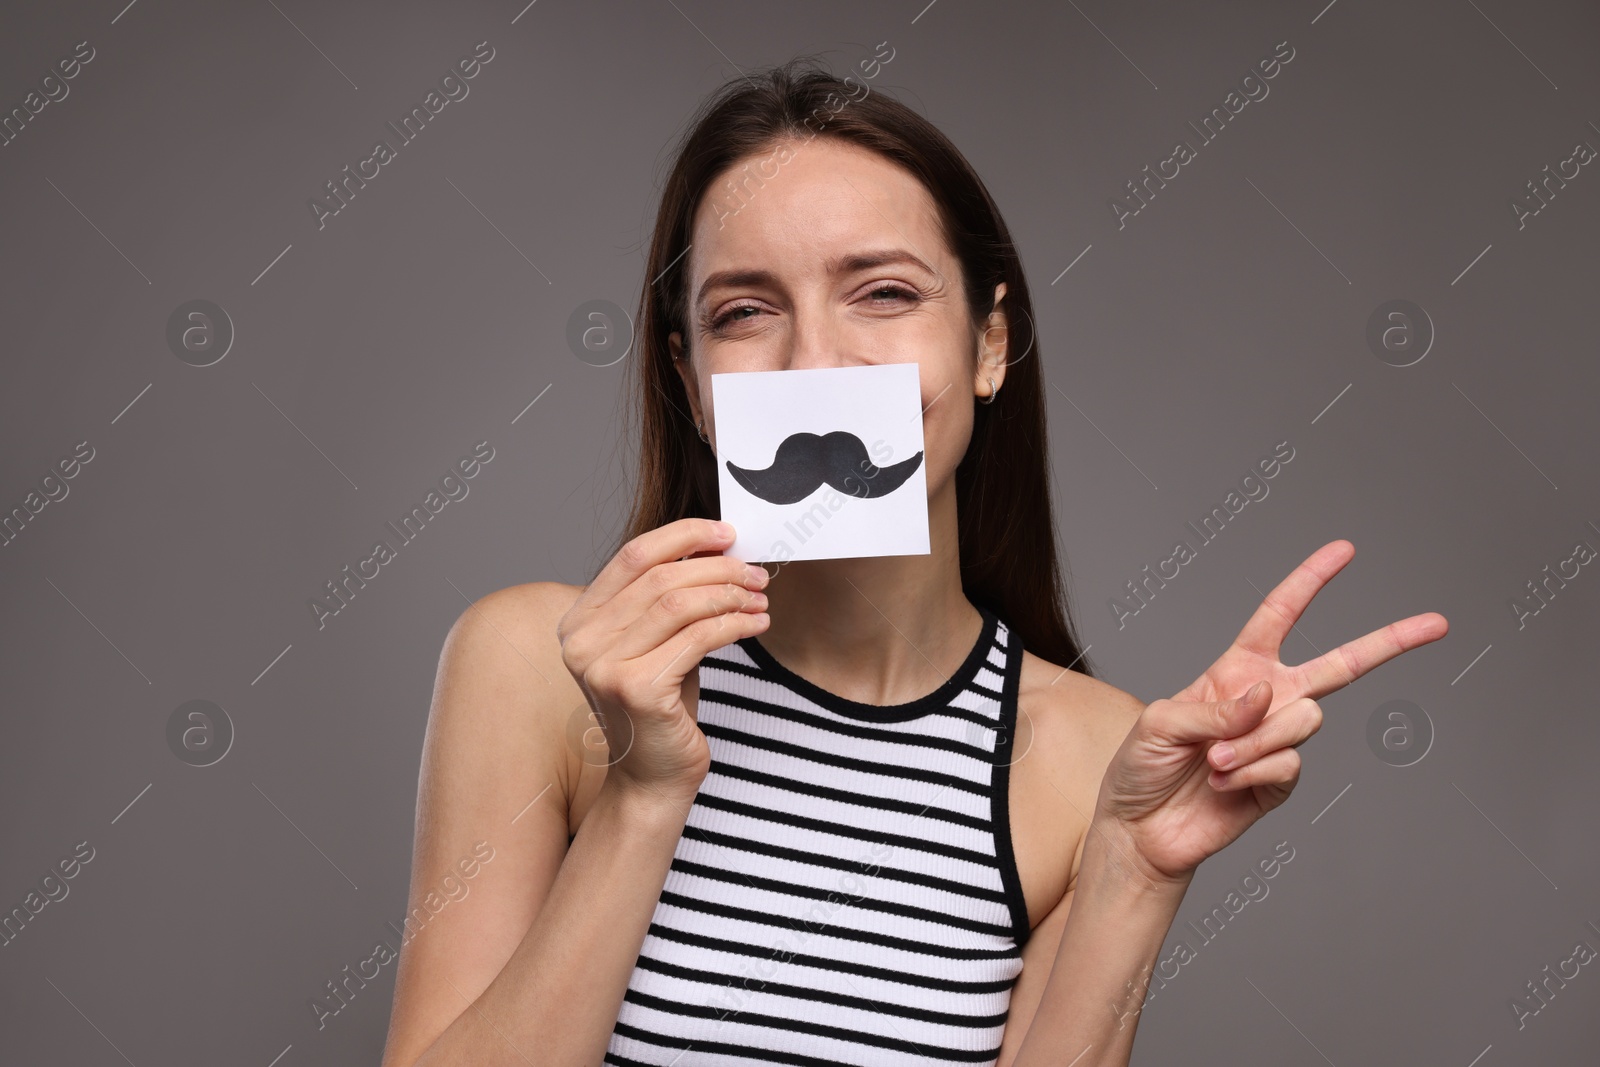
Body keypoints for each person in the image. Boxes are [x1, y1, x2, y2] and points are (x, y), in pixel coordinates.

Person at [379, 59, 1448, 1067]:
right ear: (691, 377)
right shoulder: (537, 666)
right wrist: (643, 791)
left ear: (987, 345)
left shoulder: (1093, 756)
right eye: (744, 312)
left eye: (882, 293)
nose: (817, 359)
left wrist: (1137, 870)